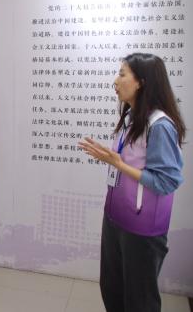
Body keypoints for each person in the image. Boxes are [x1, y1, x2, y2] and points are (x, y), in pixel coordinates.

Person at [78, 53, 185, 312]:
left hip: (142, 230)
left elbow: (167, 181)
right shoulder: (131, 118)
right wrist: (114, 159)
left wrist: (118, 164)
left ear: (141, 82)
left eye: (122, 74)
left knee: (140, 301)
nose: (115, 81)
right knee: (112, 290)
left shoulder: (160, 125)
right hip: (115, 219)